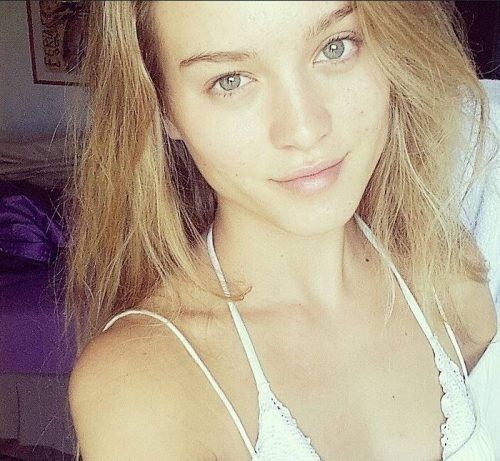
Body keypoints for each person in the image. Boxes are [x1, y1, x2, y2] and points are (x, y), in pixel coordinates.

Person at [65, 1, 499, 460]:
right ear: (164, 109)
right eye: (230, 80)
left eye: (335, 47)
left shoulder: (450, 278)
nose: (305, 129)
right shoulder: (144, 390)